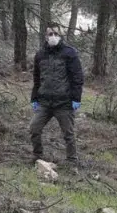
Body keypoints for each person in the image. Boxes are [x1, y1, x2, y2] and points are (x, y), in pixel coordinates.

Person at [30, 24, 84, 163]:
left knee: (68, 134)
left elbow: (77, 77)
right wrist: (34, 98)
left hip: (64, 103)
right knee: (34, 128)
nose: (52, 36)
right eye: (50, 34)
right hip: (44, 103)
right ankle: (37, 156)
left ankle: (72, 160)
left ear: (60, 35)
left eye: (55, 33)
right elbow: (36, 78)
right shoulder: (40, 55)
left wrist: (76, 98)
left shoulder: (69, 53)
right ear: (45, 36)